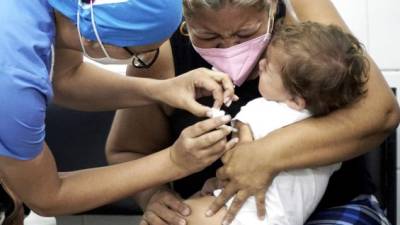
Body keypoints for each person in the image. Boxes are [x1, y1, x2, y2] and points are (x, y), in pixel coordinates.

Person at [106, 0, 400, 225]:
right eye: (208, 36)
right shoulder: (160, 55)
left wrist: (264, 155)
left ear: (272, 6)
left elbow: (382, 112)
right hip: (219, 211)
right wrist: (155, 196)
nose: (230, 46)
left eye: (246, 32)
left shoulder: (310, 41)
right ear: (185, 19)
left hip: (334, 207)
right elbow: (128, 149)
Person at [0, 0, 238, 222]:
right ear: (98, 39)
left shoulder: (65, 11)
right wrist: (174, 161)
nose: (145, 59)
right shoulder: (13, 79)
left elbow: (64, 79)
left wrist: (162, 89)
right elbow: (47, 196)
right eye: (141, 55)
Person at [190, 21, 371, 225]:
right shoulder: (330, 130)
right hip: (284, 220)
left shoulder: (262, 110)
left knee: (178, 215)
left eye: (267, 68)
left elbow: (236, 161)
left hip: (241, 216)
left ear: (295, 101)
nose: (260, 65)